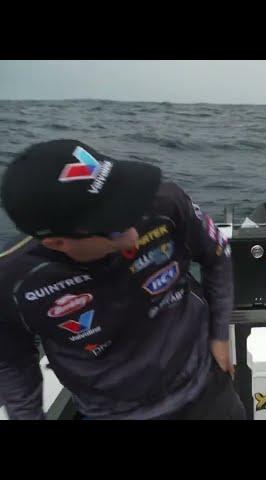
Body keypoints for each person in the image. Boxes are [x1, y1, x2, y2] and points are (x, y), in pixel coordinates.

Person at [0, 139, 246, 420]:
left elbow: (217, 254)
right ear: (58, 243)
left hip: (204, 386)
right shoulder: (12, 281)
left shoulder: (165, 202)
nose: (132, 233)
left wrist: (219, 337)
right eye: (113, 226)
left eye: (127, 204)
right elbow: (12, 362)